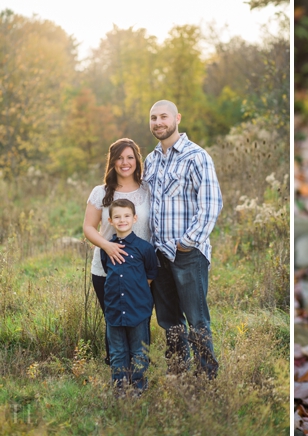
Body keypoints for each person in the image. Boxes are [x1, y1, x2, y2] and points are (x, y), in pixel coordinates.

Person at [142, 100, 223, 378]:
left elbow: (211, 204)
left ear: (177, 118)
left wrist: (188, 242)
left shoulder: (195, 156)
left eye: (163, 116)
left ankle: (205, 376)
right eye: (153, 118)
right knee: (168, 320)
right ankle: (178, 371)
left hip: (188, 254)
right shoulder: (150, 161)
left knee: (197, 318)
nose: (158, 122)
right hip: (159, 254)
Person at [83, 138, 152, 366]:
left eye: (130, 157)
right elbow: (88, 227)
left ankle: (138, 371)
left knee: (139, 320)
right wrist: (107, 245)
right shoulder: (101, 192)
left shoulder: (148, 189)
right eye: (119, 158)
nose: (125, 162)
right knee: (113, 319)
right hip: (106, 270)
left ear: (137, 160)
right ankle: (117, 370)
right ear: (112, 161)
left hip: (140, 270)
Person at [99, 198, 158, 394]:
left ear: (135, 218)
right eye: (117, 216)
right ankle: (120, 389)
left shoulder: (144, 248)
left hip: (138, 309)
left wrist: (137, 292)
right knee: (117, 352)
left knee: (139, 351)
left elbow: (150, 275)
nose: (122, 220)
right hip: (114, 309)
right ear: (110, 221)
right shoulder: (106, 248)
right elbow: (109, 271)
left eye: (126, 216)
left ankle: (138, 388)